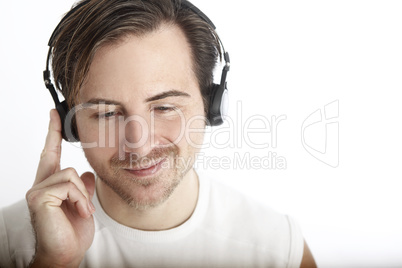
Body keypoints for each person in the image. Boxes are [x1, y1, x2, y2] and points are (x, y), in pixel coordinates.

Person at [0, 0, 317, 267]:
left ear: (211, 104)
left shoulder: (278, 247)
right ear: (71, 123)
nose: (139, 144)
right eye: (107, 113)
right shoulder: (10, 241)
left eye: (165, 107)